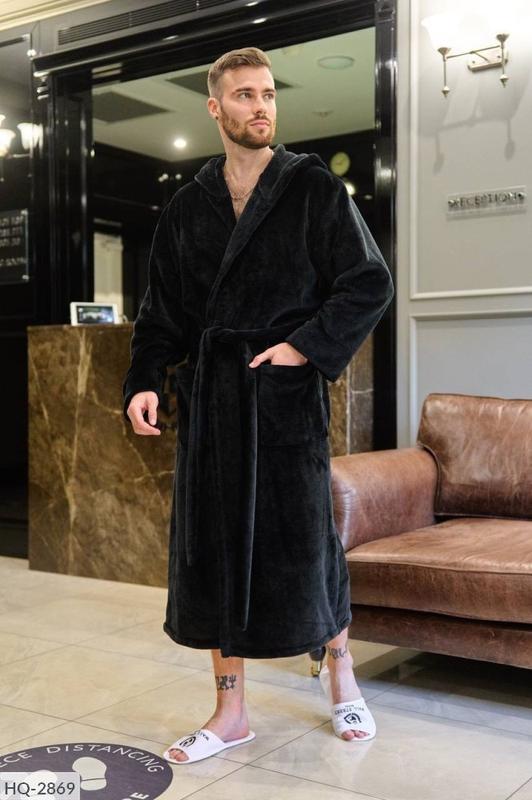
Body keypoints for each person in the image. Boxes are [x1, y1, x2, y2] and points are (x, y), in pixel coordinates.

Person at [122, 46, 394, 764]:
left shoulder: (311, 188)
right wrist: (145, 379)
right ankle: (231, 712)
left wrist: (304, 347)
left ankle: (342, 677)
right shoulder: (187, 208)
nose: (261, 106)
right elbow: (161, 314)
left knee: (307, 548)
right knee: (214, 556)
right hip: (212, 407)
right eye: (244, 95)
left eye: (268, 93)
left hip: (282, 403)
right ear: (216, 109)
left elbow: (368, 283)